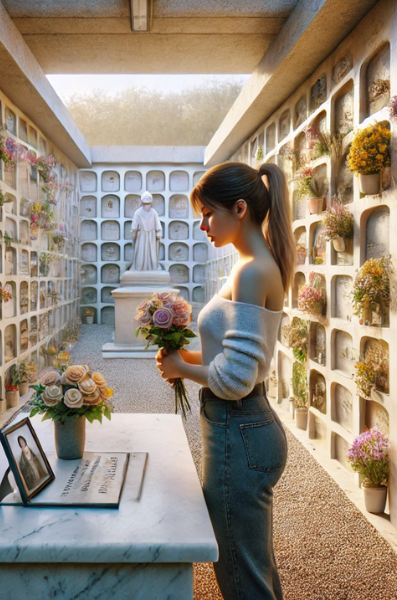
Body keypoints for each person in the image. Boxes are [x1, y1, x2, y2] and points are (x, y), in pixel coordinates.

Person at [156, 162, 294, 600]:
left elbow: (234, 380)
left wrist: (181, 370)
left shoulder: (252, 270)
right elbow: (233, 359)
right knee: (252, 568)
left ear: (239, 209)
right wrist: (186, 357)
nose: (202, 226)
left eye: (208, 213)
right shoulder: (253, 265)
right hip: (246, 429)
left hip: (239, 429)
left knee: (240, 577)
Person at [130, 191, 162, 271]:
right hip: (141, 235)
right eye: (145, 204)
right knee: (141, 252)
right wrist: (134, 232)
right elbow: (134, 225)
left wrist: (158, 232)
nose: (147, 206)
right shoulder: (138, 212)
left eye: (148, 204)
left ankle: (152, 267)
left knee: (152, 252)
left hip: (151, 234)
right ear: (142, 203)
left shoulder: (154, 212)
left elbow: (157, 223)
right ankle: (139, 267)